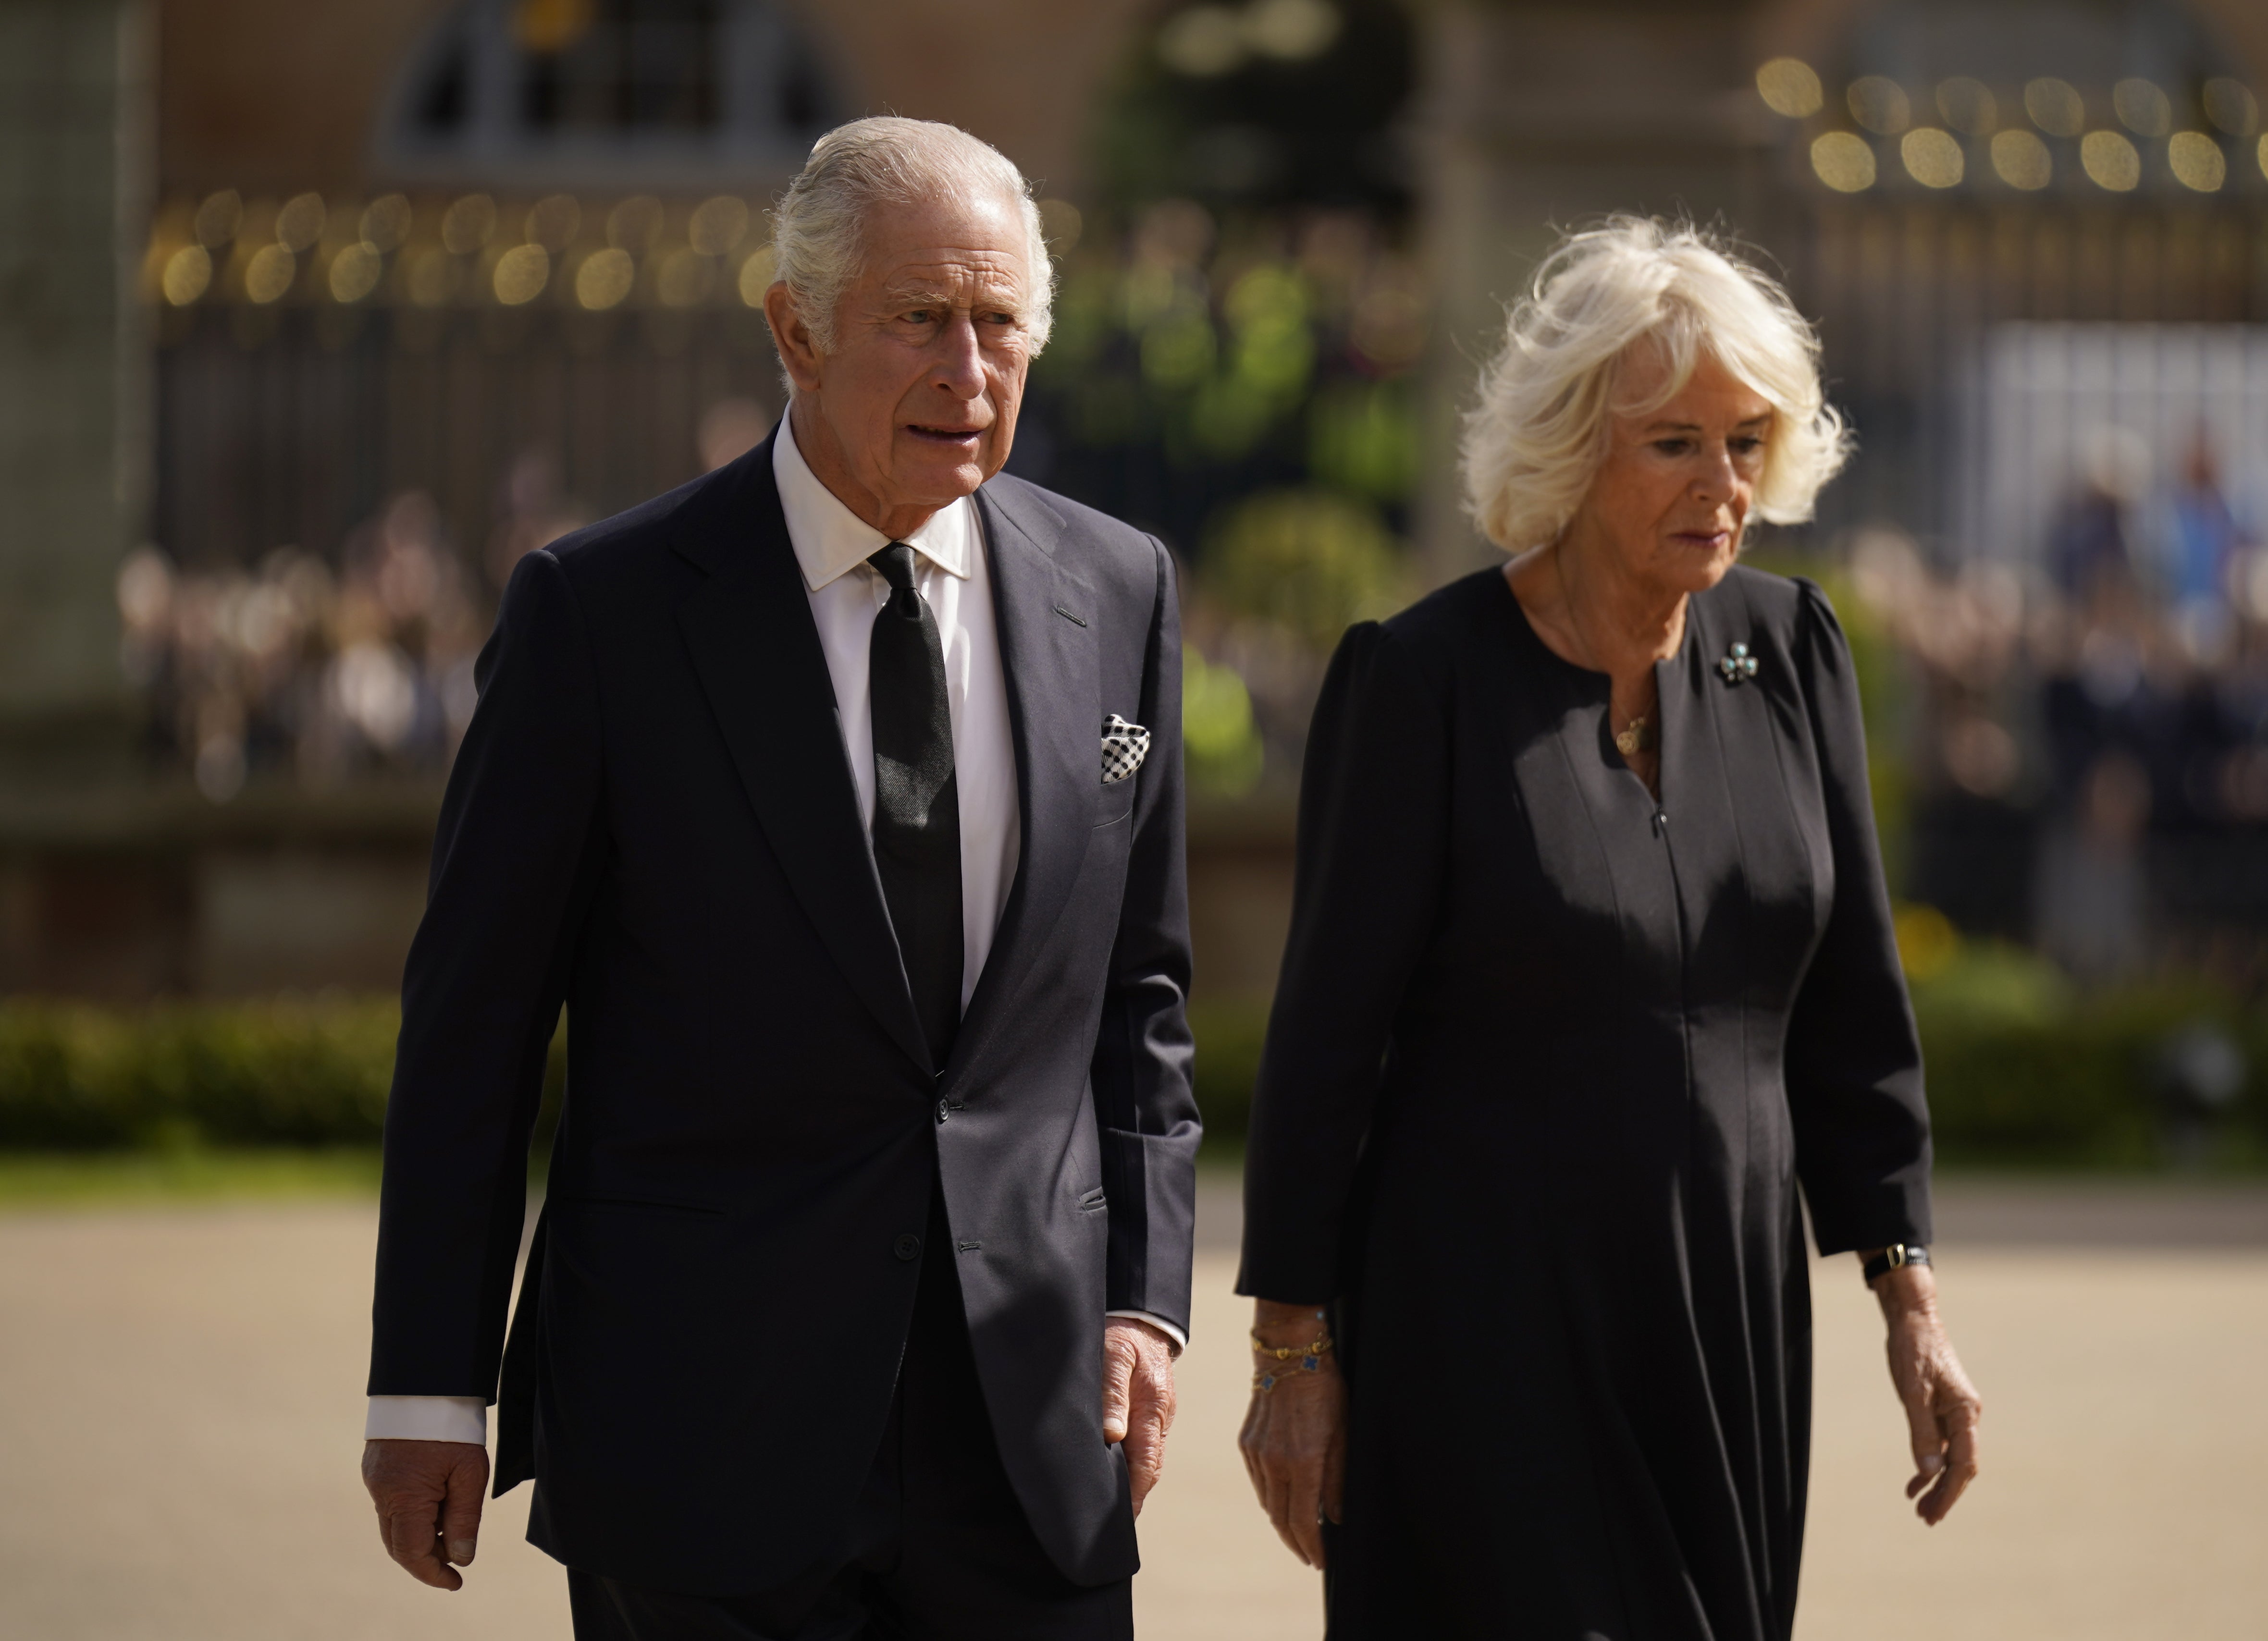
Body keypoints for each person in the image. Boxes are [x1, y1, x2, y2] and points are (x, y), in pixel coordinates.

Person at [359, 117, 1199, 1641]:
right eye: (919, 318)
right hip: (700, 1432)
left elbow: (1138, 996)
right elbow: (474, 1030)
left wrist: (1143, 1298)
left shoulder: (1121, 587)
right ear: (794, 329)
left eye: (1002, 322)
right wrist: (430, 1382)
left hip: (1030, 1444)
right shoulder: (600, 615)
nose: (969, 369)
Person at [1235, 218, 1983, 1638]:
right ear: (1575, 446)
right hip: (1488, 1324)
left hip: (1729, 1319)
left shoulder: (1795, 650)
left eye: (1747, 442)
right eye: (1674, 445)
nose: (1725, 486)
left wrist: (1908, 1293)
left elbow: (1855, 1011)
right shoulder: (1420, 683)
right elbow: (1324, 1044)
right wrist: (1291, 1354)